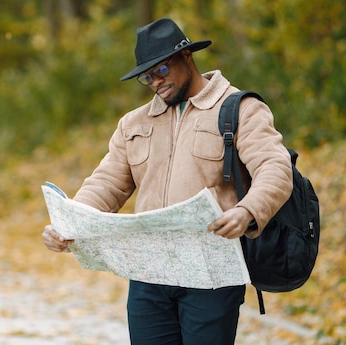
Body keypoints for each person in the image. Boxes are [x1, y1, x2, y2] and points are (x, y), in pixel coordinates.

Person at [41, 17, 293, 345]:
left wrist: (248, 211)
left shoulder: (241, 109)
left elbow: (275, 168)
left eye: (161, 71)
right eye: (146, 77)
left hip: (211, 273)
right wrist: (68, 224)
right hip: (148, 275)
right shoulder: (133, 123)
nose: (155, 83)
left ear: (187, 56)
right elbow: (106, 184)